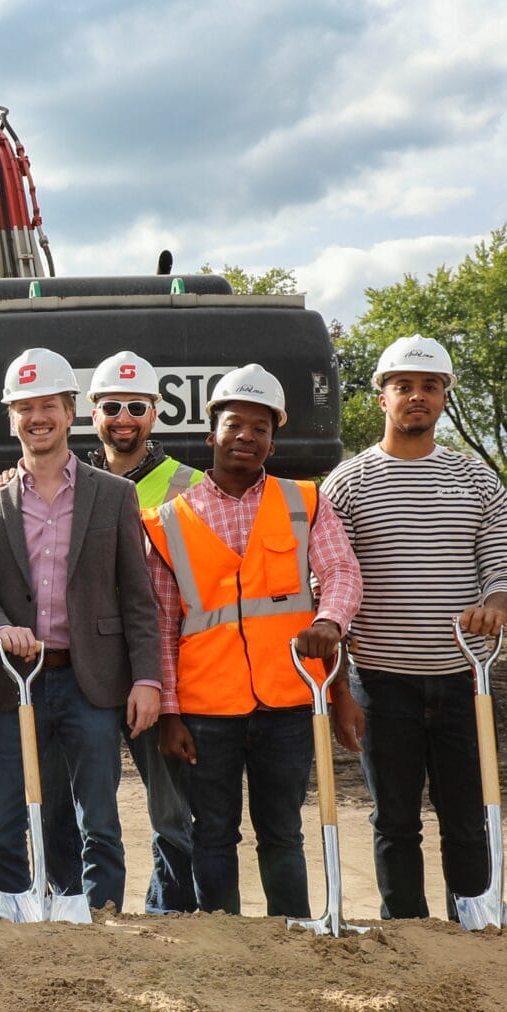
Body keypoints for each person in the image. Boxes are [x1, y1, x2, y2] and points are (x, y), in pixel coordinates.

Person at [322, 335, 507, 920]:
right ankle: (407, 935)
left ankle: (474, 922)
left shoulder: (475, 476)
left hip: (463, 681)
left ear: (444, 398)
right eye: (404, 387)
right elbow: (333, 584)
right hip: (382, 684)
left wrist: (498, 604)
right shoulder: (349, 483)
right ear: (382, 397)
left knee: (467, 815)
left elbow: (504, 560)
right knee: (394, 820)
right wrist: (340, 685)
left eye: (430, 387)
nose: (418, 397)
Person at [146, 365, 361, 917]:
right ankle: (226, 943)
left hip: (288, 700)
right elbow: (163, 622)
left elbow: (340, 572)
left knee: (283, 831)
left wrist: (330, 623)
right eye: (235, 424)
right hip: (206, 709)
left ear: (274, 436)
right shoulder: (169, 520)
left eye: (261, 427)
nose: (247, 436)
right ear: (211, 432)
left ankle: (293, 932)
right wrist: (170, 713)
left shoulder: (305, 501)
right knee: (212, 832)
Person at [0, 350, 164, 911]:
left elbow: (138, 596)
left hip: (91, 683)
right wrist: (0, 628)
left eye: (48, 405)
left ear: (70, 410)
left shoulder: (113, 494)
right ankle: (17, 919)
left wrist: (147, 678)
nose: (37, 417)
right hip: (17, 684)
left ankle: (98, 922)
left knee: (97, 819)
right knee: (7, 818)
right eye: (24, 407)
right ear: (11, 416)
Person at [84, 348, 201, 911]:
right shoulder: (75, 482)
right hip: (91, 667)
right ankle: (95, 907)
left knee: (172, 809)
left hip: (163, 670)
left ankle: (171, 913)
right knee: (91, 806)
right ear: (93, 412)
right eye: (112, 406)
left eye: (136, 406)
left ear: (155, 412)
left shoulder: (189, 486)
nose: (123, 417)